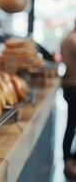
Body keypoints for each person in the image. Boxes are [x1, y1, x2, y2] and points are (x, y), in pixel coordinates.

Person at [61, 21, 76, 179]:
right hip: (73, 86)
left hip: (70, 85)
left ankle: (69, 159)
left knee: (71, 124)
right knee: (71, 124)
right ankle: (68, 160)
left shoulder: (69, 38)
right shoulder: (72, 39)